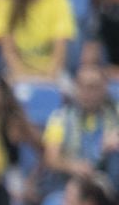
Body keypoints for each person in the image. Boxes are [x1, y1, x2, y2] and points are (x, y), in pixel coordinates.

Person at [41, 61, 119, 195]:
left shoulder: (116, 112)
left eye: (93, 87)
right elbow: (51, 158)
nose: (87, 93)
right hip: (71, 185)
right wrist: (73, 165)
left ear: (105, 88)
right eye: (82, 87)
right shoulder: (60, 118)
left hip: (109, 185)